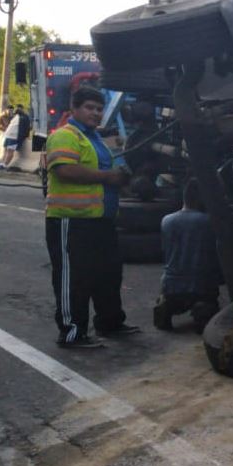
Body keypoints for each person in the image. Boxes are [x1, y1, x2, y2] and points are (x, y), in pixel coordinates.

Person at [45, 86, 138, 348]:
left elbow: (105, 176)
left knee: (108, 275)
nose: (95, 113)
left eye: (99, 109)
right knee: (74, 279)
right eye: (89, 108)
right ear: (74, 109)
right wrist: (109, 177)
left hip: (101, 221)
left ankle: (110, 323)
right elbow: (64, 170)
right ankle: (72, 333)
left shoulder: (96, 140)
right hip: (71, 221)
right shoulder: (65, 136)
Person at [154, 180, 223, 332]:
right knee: (209, 302)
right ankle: (203, 309)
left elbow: (165, 251)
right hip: (202, 285)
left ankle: (166, 303)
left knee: (170, 277)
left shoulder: (166, 221)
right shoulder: (209, 222)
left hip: (171, 284)